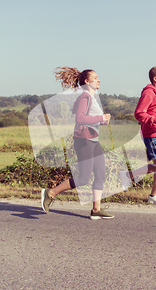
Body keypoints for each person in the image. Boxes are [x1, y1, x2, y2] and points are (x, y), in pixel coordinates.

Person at [41, 67, 114, 220]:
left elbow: (89, 120)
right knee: (84, 178)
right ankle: (50, 193)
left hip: (93, 141)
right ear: (87, 81)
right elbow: (80, 119)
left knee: (100, 174)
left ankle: (96, 209)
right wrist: (101, 118)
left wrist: (102, 122)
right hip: (84, 141)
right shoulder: (84, 97)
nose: (99, 79)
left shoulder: (92, 98)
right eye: (95, 77)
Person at [119, 66, 156, 205]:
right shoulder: (149, 93)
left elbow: (155, 114)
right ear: (155, 78)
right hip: (151, 133)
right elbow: (139, 113)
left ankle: (127, 175)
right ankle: (153, 195)